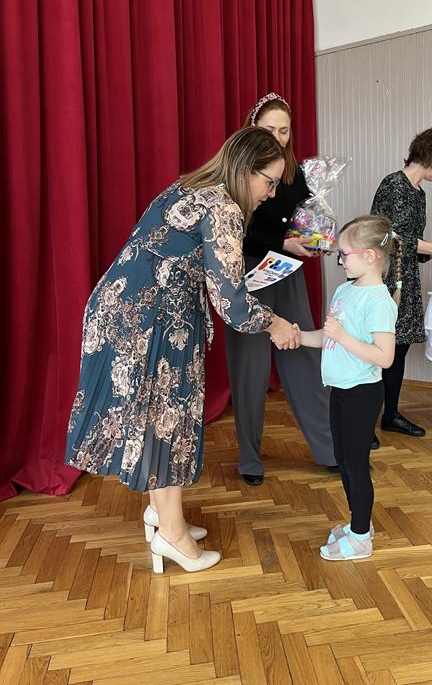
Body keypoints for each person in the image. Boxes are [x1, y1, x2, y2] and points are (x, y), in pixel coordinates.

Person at [66, 126, 300, 574]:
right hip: (152, 322)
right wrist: (276, 324)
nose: (271, 194)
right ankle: (171, 536)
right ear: (244, 170)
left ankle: (162, 516)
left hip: (121, 309)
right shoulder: (223, 208)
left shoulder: (190, 187)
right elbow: (232, 304)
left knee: (159, 419)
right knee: (167, 423)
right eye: (269, 182)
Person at [225, 93, 337, 485]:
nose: (277, 137)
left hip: (287, 273)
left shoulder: (297, 173)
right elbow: (238, 233)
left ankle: (329, 449)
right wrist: (283, 243)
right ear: (252, 128)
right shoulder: (234, 175)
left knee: (304, 356)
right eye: (269, 129)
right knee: (250, 369)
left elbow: (303, 222)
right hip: (248, 276)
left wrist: (315, 239)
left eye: (284, 131)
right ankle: (250, 459)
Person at [300, 216, 399, 560]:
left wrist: (342, 336)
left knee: (356, 464)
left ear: (370, 256)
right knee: (342, 460)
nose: (340, 260)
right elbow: (329, 337)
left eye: (344, 254)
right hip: (340, 389)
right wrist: (299, 336)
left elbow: (385, 356)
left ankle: (360, 538)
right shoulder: (345, 291)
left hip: (362, 393)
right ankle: (359, 524)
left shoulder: (379, 301)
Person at [370, 126, 432, 444]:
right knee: (377, 350)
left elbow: (413, 243)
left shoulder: (418, 193)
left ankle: (390, 415)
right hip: (383, 278)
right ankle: (363, 423)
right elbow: (387, 237)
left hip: (407, 278)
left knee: (398, 349)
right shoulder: (393, 185)